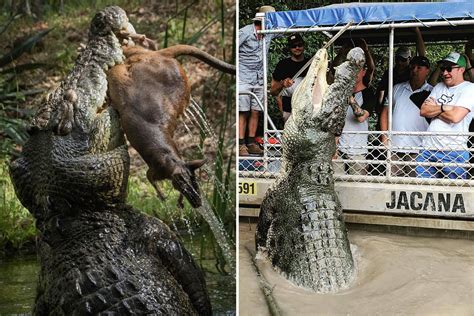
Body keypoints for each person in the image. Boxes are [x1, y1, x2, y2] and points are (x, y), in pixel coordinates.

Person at [417, 52, 474, 179]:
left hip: (454, 151)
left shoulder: (470, 88)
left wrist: (435, 110)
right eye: (443, 68)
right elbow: (424, 111)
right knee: (422, 191)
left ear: (461, 69)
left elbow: (455, 117)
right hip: (428, 148)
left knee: (453, 194)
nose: (444, 73)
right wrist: (444, 107)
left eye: (449, 69)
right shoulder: (439, 86)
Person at [380, 56, 432, 177]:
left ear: (427, 71)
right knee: (392, 185)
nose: (414, 70)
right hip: (394, 148)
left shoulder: (432, 91)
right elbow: (385, 112)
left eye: (419, 68)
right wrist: (384, 137)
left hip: (419, 150)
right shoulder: (397, 88)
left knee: (416, 187)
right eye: (413, 67)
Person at [238, 6, 276, 156]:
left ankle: (252, 142)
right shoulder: (245, 32)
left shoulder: (269, 33)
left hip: (259, 77)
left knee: (256, 111)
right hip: (244, 77)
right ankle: (241, 144)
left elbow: (288, 29)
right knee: (243, 111)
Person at [335, 40, 376, 176]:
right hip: (339, 148)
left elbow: (361, 116)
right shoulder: (340, 91)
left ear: (363, 72)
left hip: (358, 150)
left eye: (357, 69)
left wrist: (351, 99)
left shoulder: (369, 93)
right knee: (337, 185)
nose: (353, 72)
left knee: (358, 188)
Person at [269, 33, 310, 122]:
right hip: (289, 111)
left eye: (299, 45)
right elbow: (273, 91)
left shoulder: (311, 63)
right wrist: (282, 83)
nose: (297, 48)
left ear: (304, 45)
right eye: (293, 46)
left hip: (309, 110)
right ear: (289, 48)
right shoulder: (282, 65)